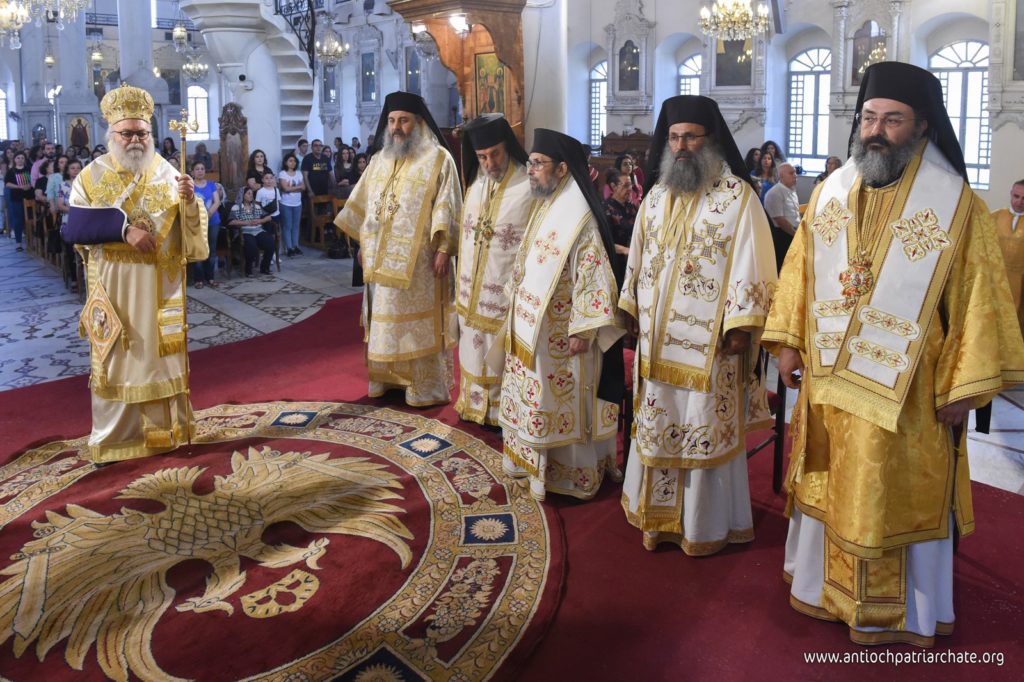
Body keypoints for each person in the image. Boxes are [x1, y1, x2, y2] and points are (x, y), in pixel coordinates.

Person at [762, 61, 1024, 647]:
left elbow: (980, 299)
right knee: (831, 485)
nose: (876, 131)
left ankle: (900, 610)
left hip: (909, 396)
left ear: (922, 126)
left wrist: (965, 386)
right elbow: (800, 272)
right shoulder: (830, 193)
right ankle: (821, 588)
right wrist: (788, 342)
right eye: (870, 118)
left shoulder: (957, 206)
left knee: (893, 496)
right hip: (830, 384)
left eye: (893, 120)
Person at [618, 95, 777, 555]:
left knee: (702, 427)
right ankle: (658, 519)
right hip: (656, 344)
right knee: (658, 421)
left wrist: (741, 325)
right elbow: (639, 258)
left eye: (690, 137)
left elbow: (753, 261)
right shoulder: (656, 196)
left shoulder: (737, 198)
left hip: (712, 347)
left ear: (710, 141)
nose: (682, 146)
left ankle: (704, 527)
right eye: (674, 137)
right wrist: (629, 308)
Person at [64, 82, 208, 464]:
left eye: (142, 132)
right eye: (127, 132)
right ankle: (117, 438)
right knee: (120, 361)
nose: (135, 139)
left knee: (157, 359)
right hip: (115, 288)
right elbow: (75, 228)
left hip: (159, 288)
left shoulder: (168, 172)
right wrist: (124, 231)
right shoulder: (91, 177)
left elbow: (193, 234)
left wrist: (191, 201)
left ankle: (166, 433)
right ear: (111, 134)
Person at [498, 128, 624, 501]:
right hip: (530, 327)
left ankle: (568, 474)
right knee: (534, 397)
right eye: (531, 163)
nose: (530, 170)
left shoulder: (579, 215)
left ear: (563, 168)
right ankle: (529, 464)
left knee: (559, 401)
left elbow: (594, 271)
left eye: (538, 164)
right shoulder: (547, 204)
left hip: (563, 336)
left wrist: (584, 328)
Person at [334, 91, 463, 406]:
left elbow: (448, 206)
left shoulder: (438, 159)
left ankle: (426, 386)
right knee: (383, 320)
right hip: (379, 262)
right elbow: (365, 205)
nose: (396, 127)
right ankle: (386, 379)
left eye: (403, 120)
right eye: (392, 121)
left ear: (418, 123)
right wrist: (364, 244)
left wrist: (444, 249)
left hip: (421, 263)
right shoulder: (379, 160)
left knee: (416, 325)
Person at [452, 113, 531, 427]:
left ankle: (501, 412)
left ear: (508, 147)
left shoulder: (528, 184)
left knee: (499, 353)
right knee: (473, 347)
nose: (489, 163)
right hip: (473, 289)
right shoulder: (476, 185)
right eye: (482, 156)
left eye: (495, 153)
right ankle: (473, 405)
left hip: (505, 291)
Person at [992, 179, 1024, 336]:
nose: (1019, 202)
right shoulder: (994, 216)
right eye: (1016, 196)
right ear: (1011, 194)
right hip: (996, 278)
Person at [191, 160, 222, 289]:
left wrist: (208, 213)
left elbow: (217, 201)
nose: (200, 171)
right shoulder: (190, 186)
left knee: (211, 249)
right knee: (198, 249)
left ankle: (210, 278)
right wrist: (201, 216)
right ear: (192, 172)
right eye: (197, 169)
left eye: (202, 169)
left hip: (213, 221)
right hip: (195, 223)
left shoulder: (211, 185)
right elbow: (188, 204)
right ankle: (198, 279)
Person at [601, 168, 636, 283]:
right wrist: (626, 250)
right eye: (625, 185)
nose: (629, 189)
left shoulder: (631, 207)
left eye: (630, 185)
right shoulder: (606, 209)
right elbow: (604, 242)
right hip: (615, 261)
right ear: (613, 186)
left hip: (631, 257)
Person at [764, 162, 801, 272]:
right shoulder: (775, 192)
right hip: (782, 235)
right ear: (781, 176)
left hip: (793, 232)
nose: (795, 175)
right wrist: (795, 235)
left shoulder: (792, 190)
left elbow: (794, 213)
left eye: (795, 172)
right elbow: (779, 219)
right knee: (783, 268)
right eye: (791, 173)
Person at [230, 186, 274, 276]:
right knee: (251, 245)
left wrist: (260, 221)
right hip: (244, 232)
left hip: (258, 230)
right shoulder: (236, 207)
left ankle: (264, 267)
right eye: (248, 193)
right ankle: (248, 269)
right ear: (242, 195)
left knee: (270, 243)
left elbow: (269, 217)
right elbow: (231, 222)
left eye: (252, 194)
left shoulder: (256, 206)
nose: (251, 195)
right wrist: (246, 222)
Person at [56, 158, 83, 291]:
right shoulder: (64, 185)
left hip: (84, 220)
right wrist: (75, 211)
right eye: (72, 168)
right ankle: (74, 278)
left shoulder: (85, 185)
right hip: (68, 220)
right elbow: (60, 205)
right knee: (71, 250)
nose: (75, 171)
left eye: (78, 168)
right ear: (67, 170)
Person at [278, 153, 305, 257]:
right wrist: (297, 187)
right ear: (286, 162)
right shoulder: (283, 174)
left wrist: (293, 188)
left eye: (294, 161)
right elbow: (285, 188)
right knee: (287, 226)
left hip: (297, 203)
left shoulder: (299, 173)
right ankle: (289, 248)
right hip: (286, 203)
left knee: (296, 226)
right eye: (290, 161)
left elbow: (304, 187)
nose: (292, 163)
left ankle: (296, 246)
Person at [5, 151, 32, 251]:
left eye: (22, 158)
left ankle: (30, 242)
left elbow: (33, 180)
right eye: (18, 158)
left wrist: (29, 185)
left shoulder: (29, 169)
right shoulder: (11, 171)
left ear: (25, 159)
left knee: (29, 219)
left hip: (29, 197)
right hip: (16, 197)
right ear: (15, 159)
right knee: (18, 220)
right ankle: (18, 243)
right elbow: (7, 183)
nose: (20, 160)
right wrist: (19, 186)